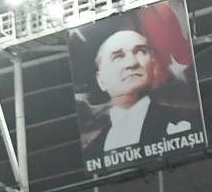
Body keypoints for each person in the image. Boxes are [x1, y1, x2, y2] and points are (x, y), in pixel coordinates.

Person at [76, 25, 201, 162]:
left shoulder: (190, 121)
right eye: (117, 57)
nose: (132, 63)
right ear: (101, 80)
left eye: (141, 51)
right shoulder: (92, 152)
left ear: (154, 66)